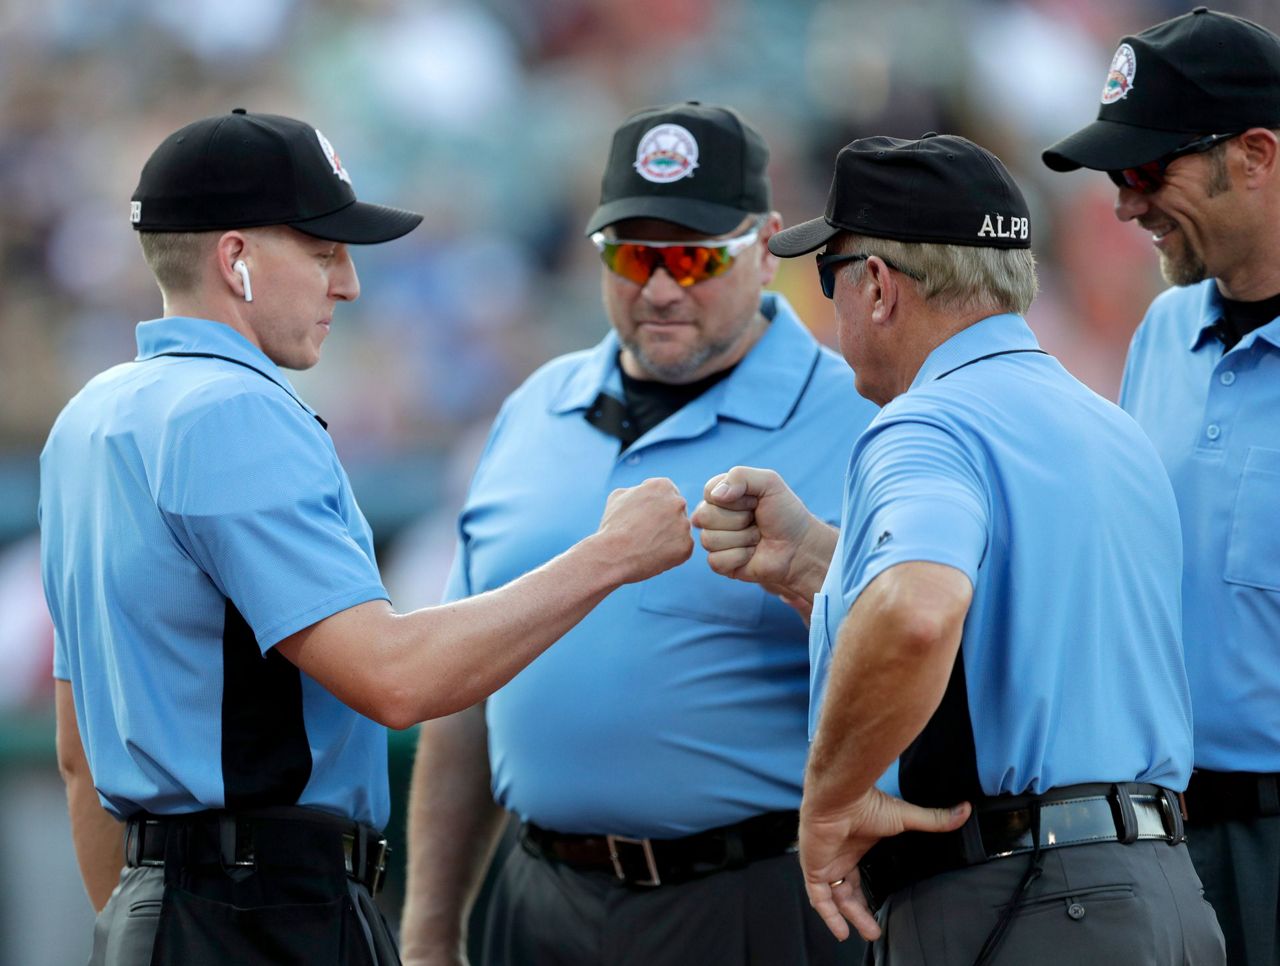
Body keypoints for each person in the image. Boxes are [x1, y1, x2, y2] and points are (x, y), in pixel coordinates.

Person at [40, 109, 694, 966]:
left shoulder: (86, 419)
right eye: (322, 252)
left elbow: (79, 757)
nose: (347, 283)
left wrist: (149, 932)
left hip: (161, 911)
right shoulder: (234, 411)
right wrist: (613, 555)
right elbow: (396, 678)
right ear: (235, 260)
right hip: (270, 909)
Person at [694, 132, 1226, 964]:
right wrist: (815, 565)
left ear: (877, 286)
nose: (826, 303)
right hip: (1158, 889)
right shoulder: (1107, 424)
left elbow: (916, 610)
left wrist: (830, 799)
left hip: (1022, 897)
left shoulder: (926, 420)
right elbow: (1017, 627)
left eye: (831, 274)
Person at [398, 101, 876, 966]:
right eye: (631, 255)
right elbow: (464, 691)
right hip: (536, 897)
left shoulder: (856, 414)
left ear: (765, 245)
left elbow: (936, 654)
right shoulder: (533, 407)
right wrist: (431, 931)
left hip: (750, 899)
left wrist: (815, 571)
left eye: (693, 256)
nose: (659, 287)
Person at [1043, 10, 1280, 964]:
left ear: (1257, 154)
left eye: (1147, 173)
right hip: (1158, 837)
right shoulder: (1162, 336)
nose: (1125, 205)